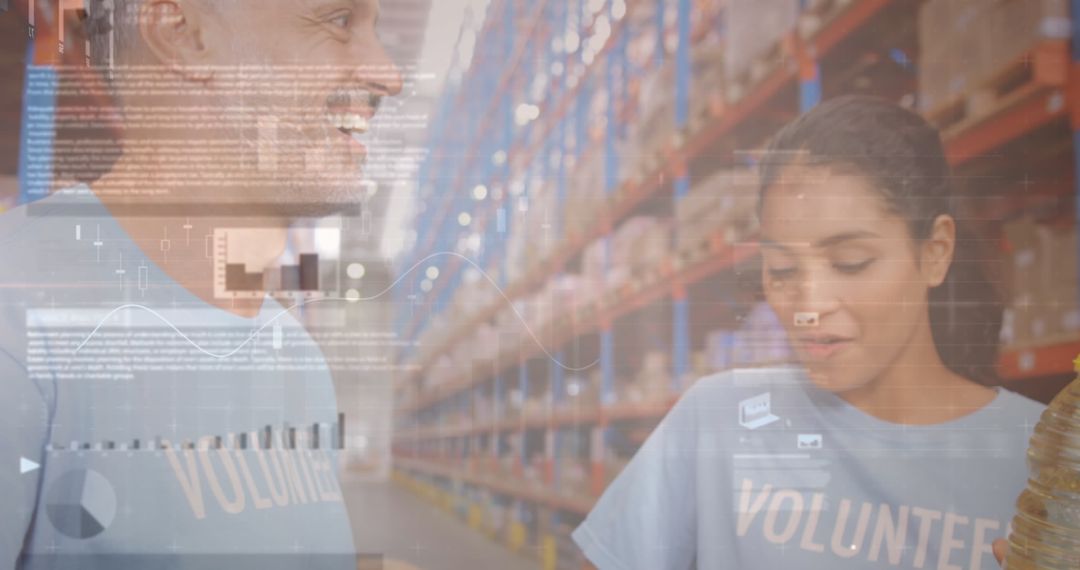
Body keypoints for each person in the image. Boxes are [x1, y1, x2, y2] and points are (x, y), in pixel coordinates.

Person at [1, 1, 401, 568]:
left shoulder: (296, 356)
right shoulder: (19, 313)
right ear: (182, 34)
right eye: (338, 21)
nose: (390, 75)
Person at [572, 96, 1044, 569]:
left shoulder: (1047, 460)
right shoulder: (719, 419)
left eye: (851, 263)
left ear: (935, 253)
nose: (809, 307)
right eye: (781, 269)